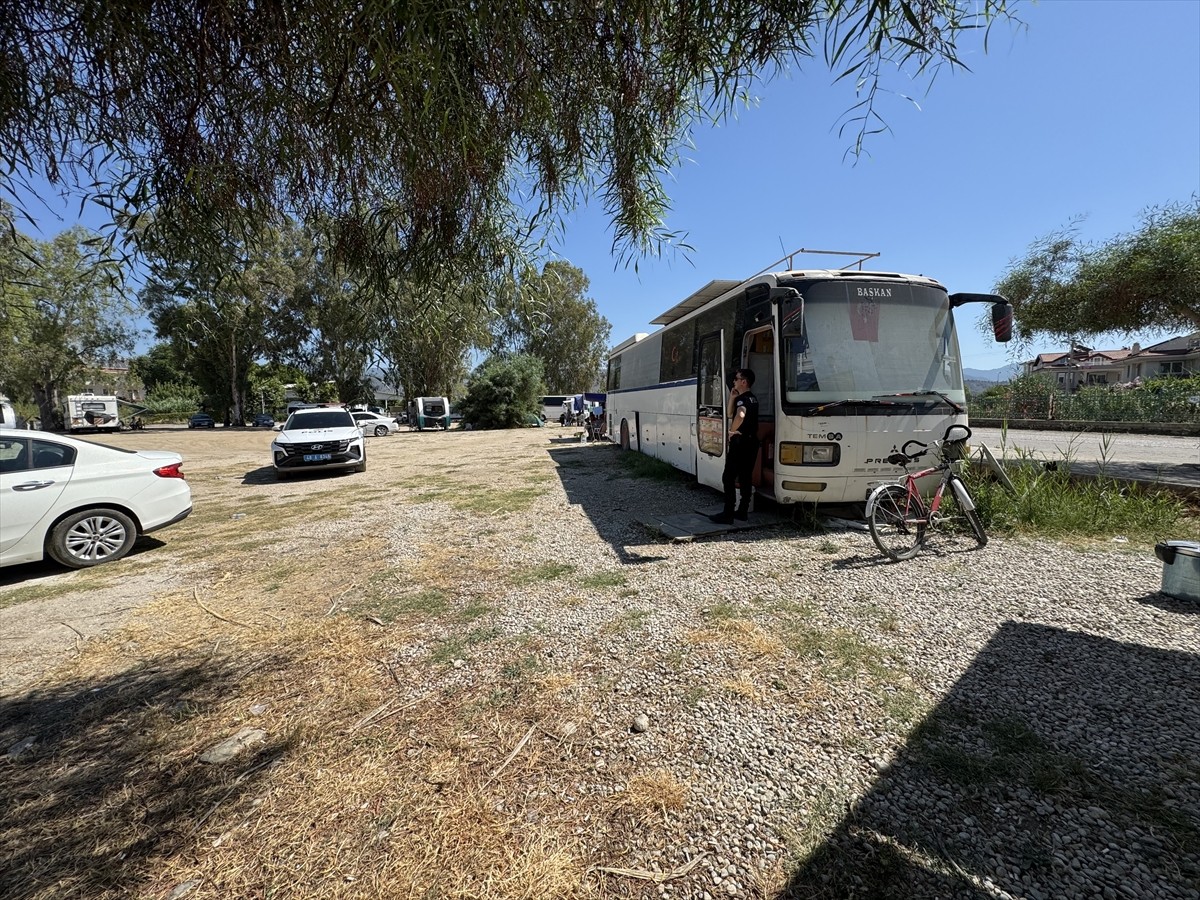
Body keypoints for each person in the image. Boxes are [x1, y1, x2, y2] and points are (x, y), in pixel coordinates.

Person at [710, 368, 759, 524]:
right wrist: (732, 398)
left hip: (740, 443)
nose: (733, 381)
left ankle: (728, 513)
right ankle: (742, 511)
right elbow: (730, 413)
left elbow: (739, 415)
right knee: (745, 477)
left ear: (743, 382)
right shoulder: (752, 398)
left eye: (736, 379)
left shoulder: (742, 400)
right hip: (752, 443)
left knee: (728, 477)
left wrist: (731, 431)